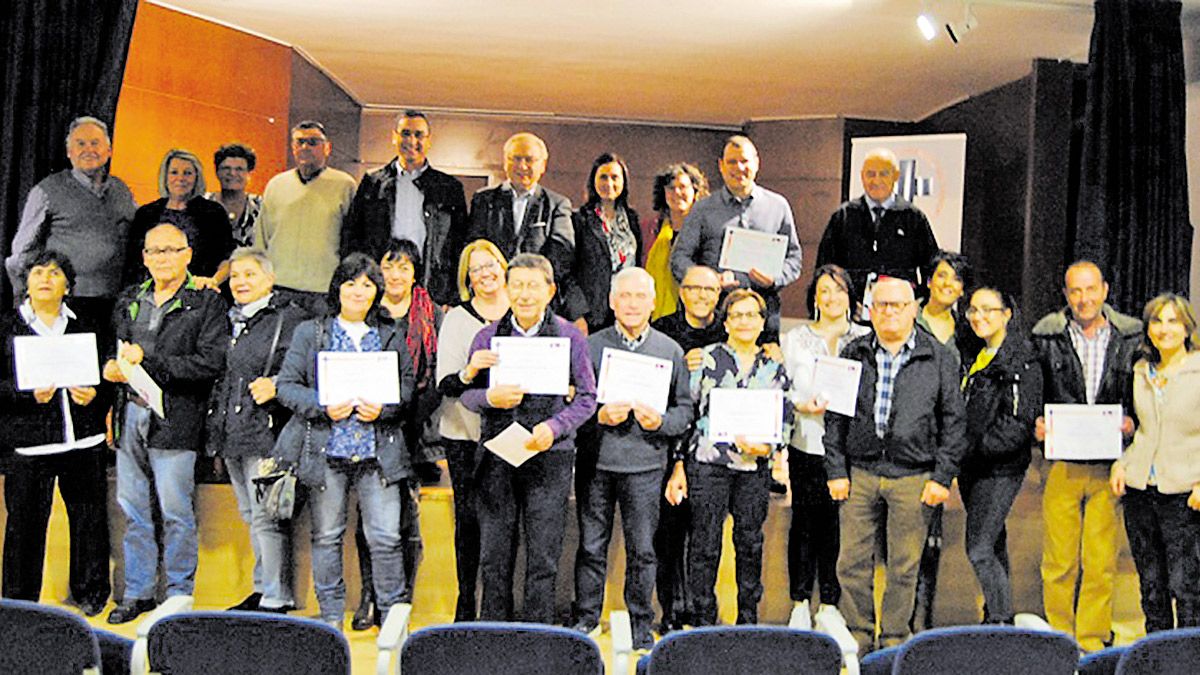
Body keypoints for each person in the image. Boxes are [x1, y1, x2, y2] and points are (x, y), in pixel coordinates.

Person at [272, 253, 415, 630]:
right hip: (326, 449)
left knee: (385, 537)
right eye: (351, 283)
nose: (358, 291)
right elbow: (285, 386)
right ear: (337, 287)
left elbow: (407, 389)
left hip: (377, 450)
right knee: (327, 536)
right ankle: (331, 618)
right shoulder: (311, 332)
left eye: (367, 284)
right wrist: (321, 406)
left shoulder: (390, 334)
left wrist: (383, 409)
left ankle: (392, 617)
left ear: (376, 292)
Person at [823, 276, 966, 654]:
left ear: (914, 309)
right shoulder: (853, 352)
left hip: (914, 476)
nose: (889, 312)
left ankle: (893, 639)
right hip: (860, 474)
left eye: (897, 305)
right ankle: (858, 634)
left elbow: (954, 421)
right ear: (869, 311)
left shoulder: (939, 357)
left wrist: (942, 476)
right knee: (851, 562)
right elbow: (835, 417)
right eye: (881, 305)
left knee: (904, 566)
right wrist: (835, 470)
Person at [101, 223, 228, 624]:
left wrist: (150, 364)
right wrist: (111, 372)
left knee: (176, 512)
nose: (162, 259)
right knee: (134, 510)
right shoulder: (129, 299)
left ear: (188, 255)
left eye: (171, 251)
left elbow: (210, 362)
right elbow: (117, 353)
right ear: (143, 258)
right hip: (129, 413)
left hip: (176, 418)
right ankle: (137, 592)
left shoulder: (205, 302)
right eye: (154, 252)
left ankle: (177, 596)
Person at [460, 253, 597, 623]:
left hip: (549, 457)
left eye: (533, 286)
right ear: (506, 289)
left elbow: (587, 398)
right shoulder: (487, 337)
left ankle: (539, 634)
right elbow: (466, 394)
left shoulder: (570, 337)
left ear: (549, 291)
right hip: (497, 457)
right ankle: (493, 632)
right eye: (516, 285)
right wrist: (489, 397)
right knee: (495, 555)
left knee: (543, 555)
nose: (524, 294)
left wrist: (554, 428)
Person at [571, 267, 693, 650]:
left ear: (654, 303)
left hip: (645, 466)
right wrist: (598, 416)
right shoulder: (590, 346)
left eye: (641, 296)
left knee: (643, 549)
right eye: (625, 296)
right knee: (591, 545)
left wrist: (661, 422)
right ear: (611, 301)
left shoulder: (669, 350)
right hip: (596, 463)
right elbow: (572, 403)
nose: (632, 304)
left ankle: (642, 622)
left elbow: (685, 411)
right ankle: (586, 618)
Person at [664, 289, 793, 626]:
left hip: (754, 468)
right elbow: (688, 412)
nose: (744, 321)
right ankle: (704, 621)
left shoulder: (774, 366)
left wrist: (770, 449)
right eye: (737, 315)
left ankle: (747, 620)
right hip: (707, 465)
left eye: (752, 315)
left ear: (762, 322)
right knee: (704, 545)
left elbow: (785, 416)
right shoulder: (707, 360)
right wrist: (679, 463)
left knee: (750, 544)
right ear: (726, 322)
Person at [1031, 260, 1140, 652]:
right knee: (1059, 560)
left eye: (1090, 289)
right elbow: (1032, 390)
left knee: (1099, 561)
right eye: (1075, 291)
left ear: (1105, 290)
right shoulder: (1046, 335)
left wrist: (1132, 422)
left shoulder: (1131, 336)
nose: (1084, 298)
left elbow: (1139, 393)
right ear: (1065, 294)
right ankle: (1060, 640)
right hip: (1061, 462)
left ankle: (1092, 641)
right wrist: (1036, 424)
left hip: (1110, 465)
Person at [0, 250, 111, 616]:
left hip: (84, 439)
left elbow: (108, 376)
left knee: (89, 520)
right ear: (26, 283)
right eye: (37, 273)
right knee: (24, 527)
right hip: (30, 444)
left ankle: (91, 593)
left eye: (55, 273)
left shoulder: (88, 323)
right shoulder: (7, 326)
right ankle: (19, 604)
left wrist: (96, 394)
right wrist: (25, 394)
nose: (45, 278)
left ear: (68, 285)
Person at [205, 248, 306, 613]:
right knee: (251, 515)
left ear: (269, 279)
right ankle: (264, 588)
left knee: (267, 517)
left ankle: (275, 597)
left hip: (267, 433)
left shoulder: (289, 320)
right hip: (231, 432)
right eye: (235, 276)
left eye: (250, 275)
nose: (241, 283)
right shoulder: (226, 320)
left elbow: (305, 370)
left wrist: (277, 384)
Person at [350, 238, 442, 630]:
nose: (396, 275)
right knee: (368, 519)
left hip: (418, 432)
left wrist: (409, 412)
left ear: (415, 273)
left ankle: (400, 598)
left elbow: (438, 377)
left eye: (404, 267)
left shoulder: (433, 313)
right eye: (389, 267)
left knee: (409, 522)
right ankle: (369, 593)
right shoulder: (364, 313)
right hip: (371, 428)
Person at [780, 264, 870, 629]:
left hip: (851, 448)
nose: (832, 298)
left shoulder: (865, 337)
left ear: (851, 296)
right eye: (824, 291)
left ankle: (830, 602)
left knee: (839, 526)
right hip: (806, 440)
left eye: (839, 290)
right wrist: (800, 405)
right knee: (804, 522)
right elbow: (783, 388)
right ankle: (800, 599)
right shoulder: (797, 338)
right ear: (814, 298)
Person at [1111, 294, 1200, 633]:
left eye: (1173, 321)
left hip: (1184, 492)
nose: (1164, 329)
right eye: (1157, 321)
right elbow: (1144, 431)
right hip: (1140, 491)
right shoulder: (1140, 371)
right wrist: (1122, 464)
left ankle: (1188, 660)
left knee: (1186, 587)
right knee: (1151, 586)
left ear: (1187, 327)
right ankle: (1158, 655)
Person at [434, 239, 510, 621]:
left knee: (505, 522)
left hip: (512, 439)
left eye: (491, 264)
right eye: (476, 269)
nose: (486, 274)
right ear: (467, 278)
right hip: (464, 436)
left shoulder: (523, 311)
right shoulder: (457, 319)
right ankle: (466, 603)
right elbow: (445, 384)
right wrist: (470, 371)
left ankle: (500, 608)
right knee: (468, 521)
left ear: (504, 265)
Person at [649, 264, 726, 631]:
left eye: (709, 290)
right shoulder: (662, 330)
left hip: (714, 450)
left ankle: (700, 609)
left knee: (705, 535)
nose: (701, 296)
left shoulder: (729, 331)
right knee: (669, 533)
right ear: (681, 292)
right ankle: (670, 610)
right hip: (667, 446)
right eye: (694, 288)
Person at [959, 286, 1041, 624]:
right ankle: (995, 616)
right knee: (992, 544)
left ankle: (1001, 620)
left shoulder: (1021, 359)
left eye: (989, 310)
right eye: (974, 310)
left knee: (978, 548)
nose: (980, 317)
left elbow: (1017, 424)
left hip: (999, 469)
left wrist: (971, 448)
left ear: (1007, 313)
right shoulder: (976, 353)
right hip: (972, 467)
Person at [669, 135, 802, 342]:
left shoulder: (778, 206)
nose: (739, 167)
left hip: (763, 312)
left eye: (744, 161)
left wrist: (775, 278)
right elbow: (679, 259)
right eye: (731, 162)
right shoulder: (703, 209)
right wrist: (710, 281)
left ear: (757, 163)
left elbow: (794, 259)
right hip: (715, 314)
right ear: (721, 166)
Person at [6, 116, 136, 326]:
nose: (89, 149)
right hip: (63, 305)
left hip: (113, 303)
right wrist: (26, 300)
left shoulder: (122, 191)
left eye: (95, 143)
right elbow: (21, 254)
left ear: (109, 151)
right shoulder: (47, 190)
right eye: (80, 143)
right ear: (69, 152)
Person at [342, 110, 470, 307]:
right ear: (394, 137)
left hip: (432, 287)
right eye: (405, 133)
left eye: (418, 135)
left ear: (429, 141)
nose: (411, 141)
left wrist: (452, 296)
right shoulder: (373, 183)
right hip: (382, 283)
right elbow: (353, 237)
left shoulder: (449, 187)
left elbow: (458, 245)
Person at [910, 249, 975, 631]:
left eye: (956, 280)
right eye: (942, 276)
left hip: (950, 438)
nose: (947, 285)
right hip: (912, 436)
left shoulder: (969, 330)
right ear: (929, 280)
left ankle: (924, 619)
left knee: (932, 534)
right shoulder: (908, 319)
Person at [254, 121, 357, 316]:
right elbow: (261, 239)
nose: (305, 148)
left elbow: (352, 240)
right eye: (300, 142)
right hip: (280, 288)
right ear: (293, 147)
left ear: (327, 148)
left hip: (324, 292)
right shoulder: (276, 185)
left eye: (313, 142)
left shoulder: (345, 185)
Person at [814, 148, 939, 308]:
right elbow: (825, 268)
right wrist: (845, 302)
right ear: (862, 176)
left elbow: (932, 267)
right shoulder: (844, 216)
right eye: (870, 174)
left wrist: (917, 301)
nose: (876, 180)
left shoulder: (913, 217)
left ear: (896, 176)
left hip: (897, 312)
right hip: (852, 312)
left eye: (884, 174)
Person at [465, 132, 574, 295]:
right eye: (515, 158)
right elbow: (475, 246)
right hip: (492, 293)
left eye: (529, 160)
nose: (522, 166)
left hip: (535, 296)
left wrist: (529, 283)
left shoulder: (557, 205)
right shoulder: (483, 200)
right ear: (505, 162)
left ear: (543, 165)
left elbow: (561, 255)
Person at [124, 149, 234, 290]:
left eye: (187, 173)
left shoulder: (213, 213)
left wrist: (213, 281)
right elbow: (132, 263)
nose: (180, 178)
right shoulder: (146, 214)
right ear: (165, 176)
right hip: (150, 296)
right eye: (174, 172)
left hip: (197, 295)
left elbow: (228, 258)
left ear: (196, 178)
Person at [560, 152, 642, 334]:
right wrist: (577, 314)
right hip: (592, 317)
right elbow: (567, 273)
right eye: (603, 177)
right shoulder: (578, 220)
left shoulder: (632, 220)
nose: (609, 183)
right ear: (593, 181)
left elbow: (637, 266)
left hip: (626, 313)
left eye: (615, 177)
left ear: (624, 182)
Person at [645, 163, 709, 321]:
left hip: (694, 315)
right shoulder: (651, 229)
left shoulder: (707, 230)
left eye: (683, 187)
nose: (677, 193)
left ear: (695, 191)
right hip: (655, 316)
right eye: (671, 188)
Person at [205, 143, 262, 248]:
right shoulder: (201, 204)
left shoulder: (261, 207)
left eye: (239, 169)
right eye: (226, 168)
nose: (232, 173)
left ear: (249, 174)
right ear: (217, 172)